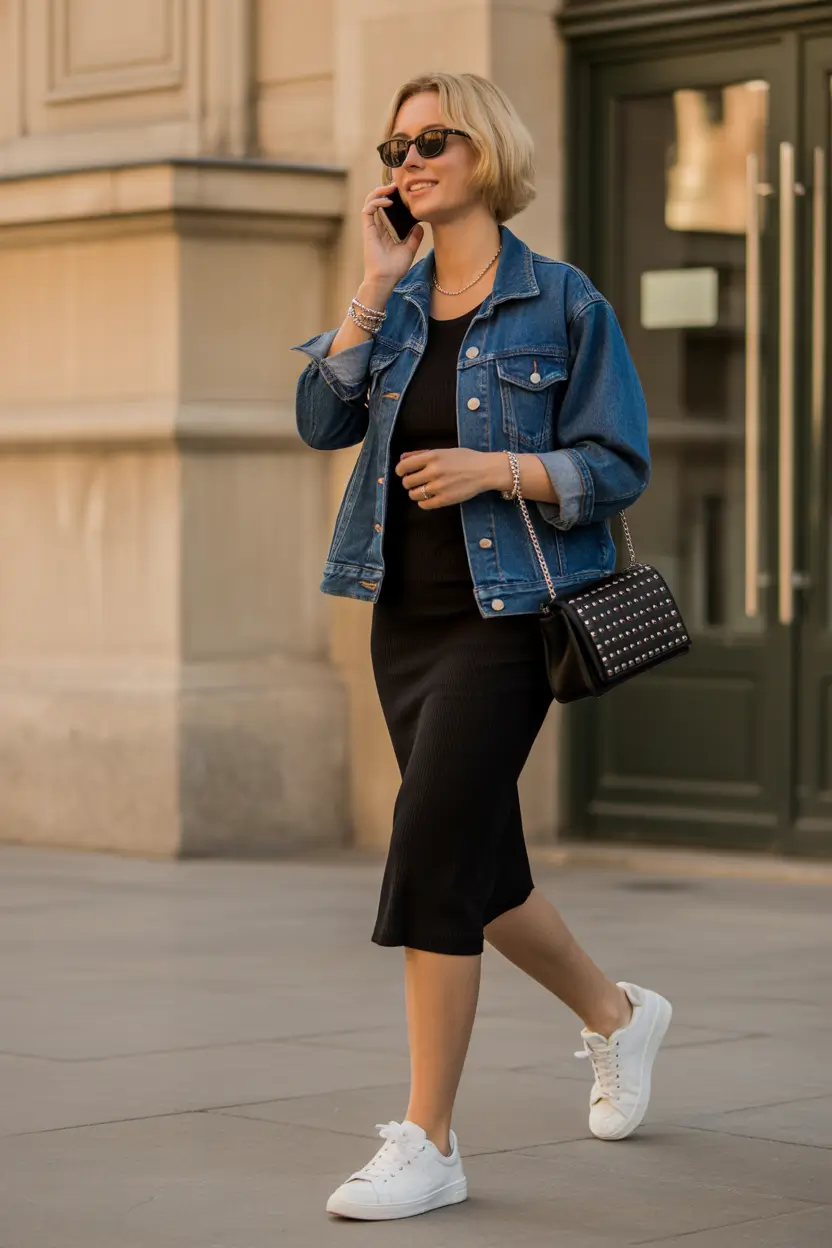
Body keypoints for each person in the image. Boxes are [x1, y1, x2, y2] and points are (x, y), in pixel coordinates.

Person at [293, 71, 671, 1223]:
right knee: (481, 867)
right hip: (402, 618)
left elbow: (617, 461)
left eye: (431, 140)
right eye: (393, 144)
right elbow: (319, 418)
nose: (407, 160)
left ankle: (429, 1139)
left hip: (512, 620)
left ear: (485, 152)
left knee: (429, 843)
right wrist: (369, 286)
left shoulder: (562, 304)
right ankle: (616, 1014)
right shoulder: (397, 304)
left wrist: (495, 469)